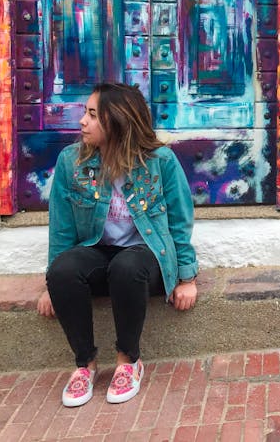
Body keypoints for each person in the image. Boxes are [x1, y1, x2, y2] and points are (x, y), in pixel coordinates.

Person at [36, 82, 199, 407]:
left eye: (93, 115)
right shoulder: (72, 162)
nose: (82, 121)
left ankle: (128, 361)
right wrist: (51, 283)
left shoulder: (160, 161)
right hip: (98, 253)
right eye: (86, 112)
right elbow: (62, 229)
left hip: (147, 258)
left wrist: (187, 278)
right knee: (64, 270)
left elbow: (181, 220)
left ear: (118, 121)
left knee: (127, 266)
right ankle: (85, 366)